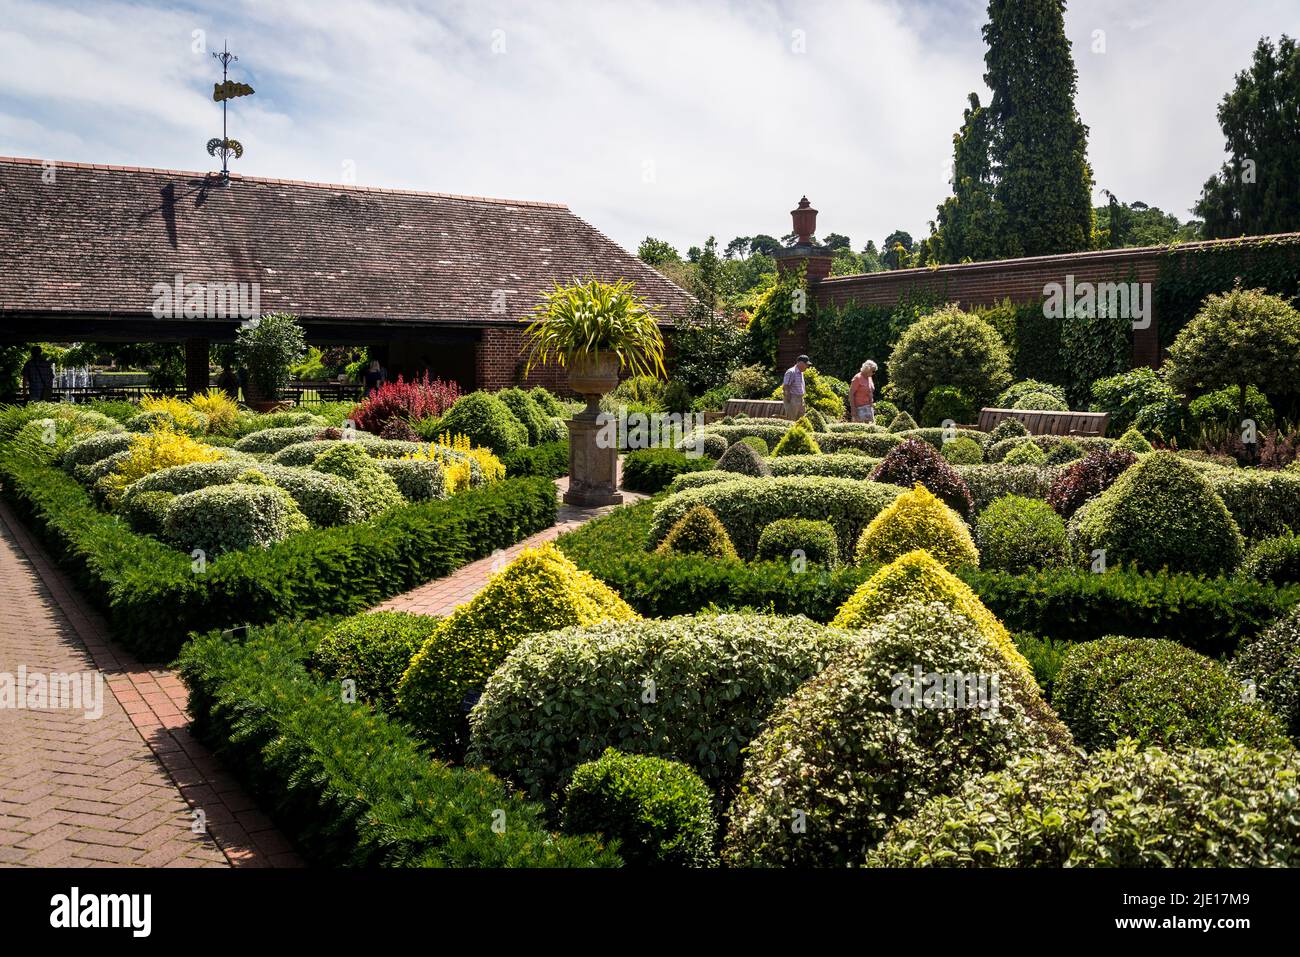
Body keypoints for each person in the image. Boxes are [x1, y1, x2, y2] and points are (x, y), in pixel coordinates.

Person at [782, 354, 810, 421]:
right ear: (801, 363)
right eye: (806, 364)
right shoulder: (791, 372)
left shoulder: (801, 372)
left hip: (800, 399)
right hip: (793, 398)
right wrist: (789, 398)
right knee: (791, 420)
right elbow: (786, 386)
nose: (807, 366)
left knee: (800, 420)